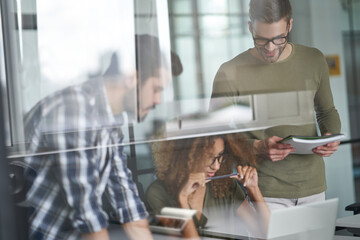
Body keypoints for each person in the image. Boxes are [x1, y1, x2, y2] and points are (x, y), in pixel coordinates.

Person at [23, 34, 182, 240]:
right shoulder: (73, 111)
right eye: (156, 89)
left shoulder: (110, 120)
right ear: (132, 78)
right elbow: (87, 215)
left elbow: (126, 200)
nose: (159, 100)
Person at [210, 0, 341, 210]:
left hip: (314, 187)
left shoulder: (314, 59)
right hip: (264, 191)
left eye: (278, 38)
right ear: (250, 28)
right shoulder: (229, 72)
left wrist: (331, 135)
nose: (270, 48)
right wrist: (255, 148)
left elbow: (326, 112)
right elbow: (214, 134)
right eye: (261, 39)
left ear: (289, 25)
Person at [145, 134, 270, 237]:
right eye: (209, 157)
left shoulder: (224, 184)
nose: (216, 166)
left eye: (220, 156)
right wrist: (182, 199)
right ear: (185, 156)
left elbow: (264, 234)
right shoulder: (157, 193)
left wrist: (254, 190)